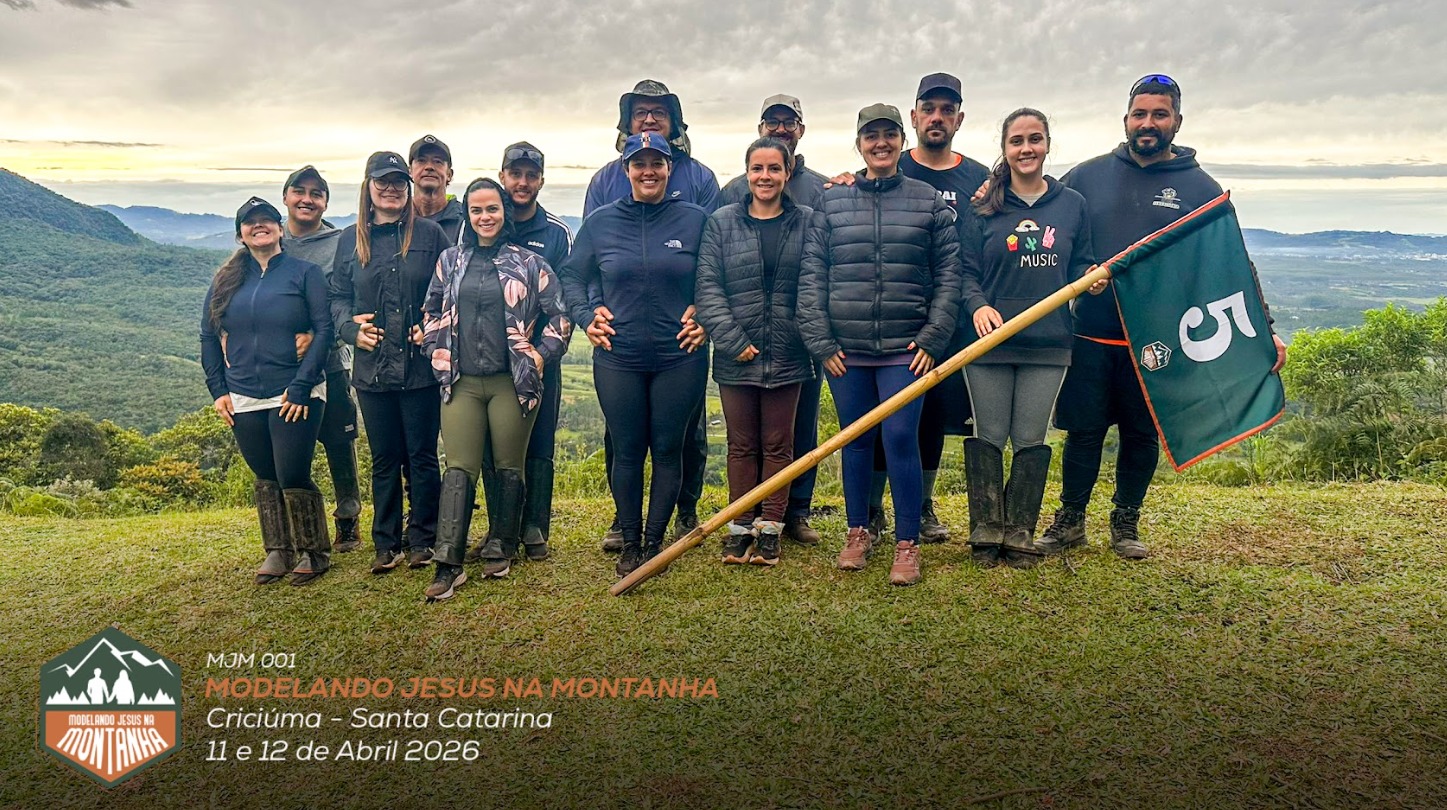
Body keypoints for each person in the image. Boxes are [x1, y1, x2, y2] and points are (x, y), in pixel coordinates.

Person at [1036, 74, 1285, 559]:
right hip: (1091, 333)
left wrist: (1266, 331)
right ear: (1126, 119)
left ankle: (1126, 522)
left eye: (1159, 114)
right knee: (1083, 432)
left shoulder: (1200, 188)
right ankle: (1070, 520)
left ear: (1177, 121)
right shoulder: (1086, 176)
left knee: (1141, 433)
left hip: (1158, 342)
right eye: (1140, 114)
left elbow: (1232, 264)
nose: (1147, 123)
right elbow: (1049, 222)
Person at [798, 104, 963, 587]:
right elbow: (812, 278)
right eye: (871, 136)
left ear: (901, 141)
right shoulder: (832, 203)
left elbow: (949, 277)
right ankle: (858, 531)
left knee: (900, 439)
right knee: (856, 441)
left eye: (889, 135)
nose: (881, 143)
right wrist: (821, 341)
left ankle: (907, 542)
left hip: (904, 349)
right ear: (859, 144)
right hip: (845, 352)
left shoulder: (927, 201)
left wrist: (933, 337)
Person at [563, 132, 711, 577]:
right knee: (627, 451)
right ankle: (630, 541)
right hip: (618, 356)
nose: (648, 171)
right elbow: (572, 276)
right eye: (639, 163)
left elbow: (717, 275)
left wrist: (705, 312)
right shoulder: (601, 222)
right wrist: (586, 316)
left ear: (670, 168)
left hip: (680, 355)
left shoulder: (695, 219)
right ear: (626, 170)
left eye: (657, 163)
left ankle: (654, 544)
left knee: (668, 449)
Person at [959, 108, 1099, 568]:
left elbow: (1080, 262)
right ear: (1005, 149)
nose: (1026, 149)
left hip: (1049, 342)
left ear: (1047, 145)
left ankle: (1020, 534)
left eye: (1034, 139)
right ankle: (986, 533)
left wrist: (1090, 277)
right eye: (1016, 141)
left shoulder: (1071, 204)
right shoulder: (984, 206)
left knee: (1029, 438)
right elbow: (965, 272)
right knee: (989, 435)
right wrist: (978, 306)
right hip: (989, 345)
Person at [421, 177, 572, 599]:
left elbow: (560, 317)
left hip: (512, 382)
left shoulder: (530, 263)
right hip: (462, 382)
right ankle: (448, 562)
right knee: (459, 466)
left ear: (504, 212)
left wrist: (541, 354)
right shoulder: (450, 261)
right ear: (467, 215)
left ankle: (501, 545)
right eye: (476, 210)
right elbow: (431, 309)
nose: (484, 217)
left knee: (509, 464)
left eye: (492, 209)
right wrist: (435, 347)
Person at [585, 79, 719, 552]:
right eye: (640, 111)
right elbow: (589, 264)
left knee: (682, 436)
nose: (648, 118)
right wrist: (592, 310)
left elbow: (714, 257)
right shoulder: (604, 183)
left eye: (658, 112)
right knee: (624, 439)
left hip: (679, 343)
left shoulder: (700, 180)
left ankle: (681, 512)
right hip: (621, 343)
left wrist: (705, 311)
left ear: (673, 124)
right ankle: (625, 525)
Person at [695, 136, 819, 566]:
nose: (765, 177)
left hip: (789, 353)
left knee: (779, 445)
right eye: (757, 169)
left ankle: (770, 529)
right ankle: (739, 527)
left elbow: (813, 285)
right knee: (741, 445)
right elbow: (708, 288)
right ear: (747, 173)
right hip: (736, 355)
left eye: (774, 168)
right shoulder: (722, 223)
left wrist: (803, 336)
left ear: (788, 172)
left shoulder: (807, 222)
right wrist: (733, 340)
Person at [329, 152, 452, 575]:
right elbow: (337, 297)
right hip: (372, 369)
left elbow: (451, 289)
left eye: (399, 182)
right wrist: (349, 329)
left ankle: (423, 539)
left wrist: (433, 327)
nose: (391, 189)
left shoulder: (431, 234)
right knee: (384, 458)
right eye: (383, 181)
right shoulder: (350, 239)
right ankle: (386, 542)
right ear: (368, 186)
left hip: (420, 368)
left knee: (421, 455)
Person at [203, 197, 333, 586]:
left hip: (294, 390)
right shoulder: (225, 280)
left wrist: (302, 386)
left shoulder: (305, 273)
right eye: (250, 222)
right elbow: (208, 336)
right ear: (240, 234)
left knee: (292, 471)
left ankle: (313, 550)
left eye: (266, 220)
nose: (259, 226)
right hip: (242, 393)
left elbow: (324, 330)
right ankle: (278, 549)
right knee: (264, 473)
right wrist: (218, 390)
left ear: (279, 228)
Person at [720, 94, 829, 546]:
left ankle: (793, 514)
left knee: (797, 431)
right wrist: (727, 332)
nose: (781, 128)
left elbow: (821, 267)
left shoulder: (823, 189)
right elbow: (714, 270)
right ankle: (744, 519)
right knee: (746, 440)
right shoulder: (731, 195)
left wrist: (812, 332)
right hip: (742, 338)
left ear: (800, 130)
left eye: (789, 122)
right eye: (773, 122)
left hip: (798, 339)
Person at [464, 142, 575, 566]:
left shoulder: (556, 233)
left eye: (531, 175)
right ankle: (500, 528)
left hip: (540, 358)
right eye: (515, 174)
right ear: (503, 176)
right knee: (493, 447)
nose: (522, 182)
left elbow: (564, 301)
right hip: (487, 361)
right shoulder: (487, 222)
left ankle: (535, 528)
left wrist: (542, 354)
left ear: (541, 180)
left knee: (539, 442)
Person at [280, 165, 363, 553]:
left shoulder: (339, 243)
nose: (307, 199)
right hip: (279, 364)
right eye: (300, 191)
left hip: (331, 360)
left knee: (339, 440)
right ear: (286, 197)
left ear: (326, 203)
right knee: (286, 446)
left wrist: (318, 336)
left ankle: (348, 517)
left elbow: (347, 299)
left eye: (316, 193)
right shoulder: (269, 237)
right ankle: (295, 529)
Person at [411, 134, 466, 242]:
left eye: (437, 161)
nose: (429, 167)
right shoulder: (397, 218)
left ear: (449, 174)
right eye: (421, 160)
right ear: (410, 171)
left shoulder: (466, 220)